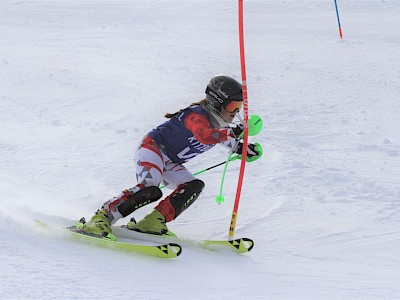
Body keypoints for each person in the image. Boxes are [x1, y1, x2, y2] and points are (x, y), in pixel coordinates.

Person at [80, 75, 261, 238]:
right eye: (232, 107)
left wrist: (244, 150)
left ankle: (153, 222)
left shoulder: (219, 123)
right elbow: (204, 135)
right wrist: (233, 132)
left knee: (193, 186)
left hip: (170, 161)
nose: (235, 112)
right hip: (153, 148)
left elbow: (226, 139)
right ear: (216, 102)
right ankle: (102, 217)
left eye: (239, 108)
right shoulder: (196, 115)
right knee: (150, 188)